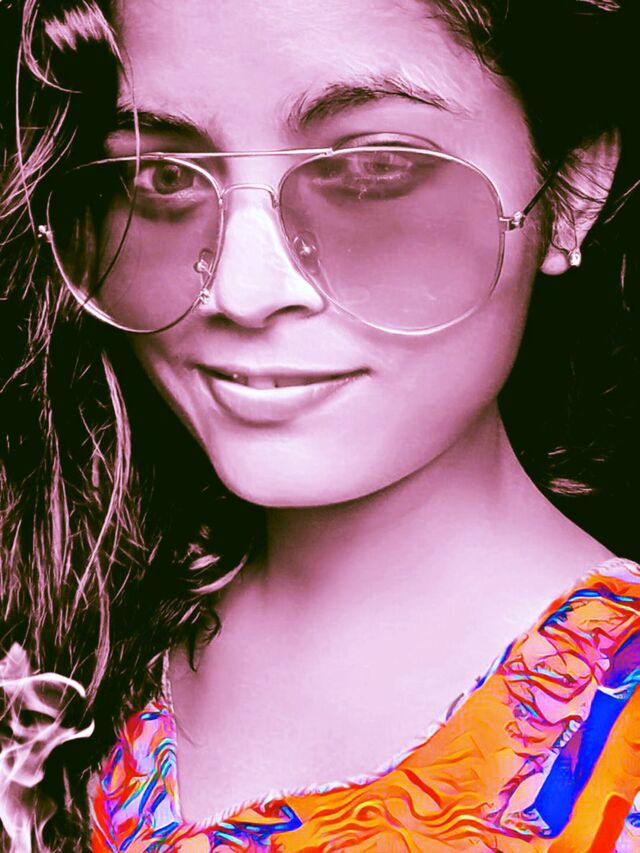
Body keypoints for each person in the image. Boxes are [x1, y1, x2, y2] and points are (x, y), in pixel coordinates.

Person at [1, 0, 640, 850]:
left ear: (575, 184)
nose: (241, 291)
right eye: (160, 174)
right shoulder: (60, 628)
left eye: (371, 167)